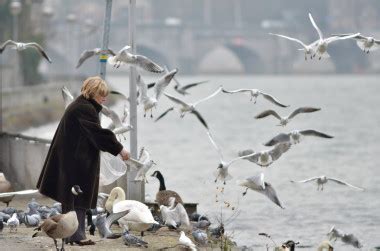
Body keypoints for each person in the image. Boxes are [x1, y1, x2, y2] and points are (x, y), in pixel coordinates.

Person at [37, 76, 130, 246]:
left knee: (73, 197)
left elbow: (93, 134)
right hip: (76, 161)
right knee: (77, 197)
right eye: (101, 94)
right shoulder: (84, 108)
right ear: (92, 93)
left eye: (105, 94)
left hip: (72, 159)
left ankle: (72, 234)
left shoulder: (82, 105)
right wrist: (119, 149)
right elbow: (98, 134)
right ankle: (76, 235)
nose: (105, 98)